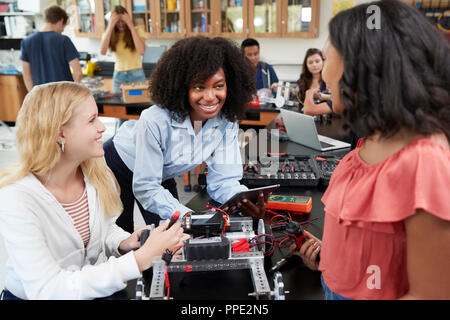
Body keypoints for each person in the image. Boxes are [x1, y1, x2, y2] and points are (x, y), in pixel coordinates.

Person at [292, 0, 450, 300]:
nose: (323, 69)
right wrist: (332, 257)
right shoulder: (369, 141)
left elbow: (431, 293)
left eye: (329, 54)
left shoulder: (425, 161)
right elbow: (379, 244)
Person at [0, 82, 185, 300]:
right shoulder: (16, 198)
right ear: (60, 133)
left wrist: (124, 242)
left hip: (86, 290)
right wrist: (138, 260)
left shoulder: (95, 175)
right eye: (91, 120)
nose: (102, 127)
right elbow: (47, 289)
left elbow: (103, 229)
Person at [103, 36, 269, 233]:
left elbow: (223, 180)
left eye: (218, 86)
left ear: (230, 86)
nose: (210, 97)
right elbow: (146, 187)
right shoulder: (155, 120)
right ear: (183, 88)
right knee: (123, 235)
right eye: (199, 87)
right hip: (118, 164)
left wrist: (244, 199)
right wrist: (188, 216)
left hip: (162, 172)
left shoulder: (227, 121)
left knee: (171, 238)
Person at [20, 5, 82, 92]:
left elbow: (26, 75)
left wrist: (33, 96)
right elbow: (78, 73)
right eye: (63, 27)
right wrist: (74, 92)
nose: (62, 30)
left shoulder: (26, 42)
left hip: (41, 95)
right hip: (63, 94)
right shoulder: (63, 40)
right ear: (61, 21)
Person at [100, 5, 146, 94]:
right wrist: (110, 26)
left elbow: (141, 51)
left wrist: (130, 25)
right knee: (119, 106)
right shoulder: (109, 35)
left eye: (123, 21)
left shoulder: (137, 30)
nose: (121, 24)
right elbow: (102, 51)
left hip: (136, 75)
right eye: (117, 22)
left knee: (138, 105)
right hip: (119, 76)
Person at [294, 48, 333, 116]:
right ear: (306, 65)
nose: (314, 65)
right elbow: (294, 94)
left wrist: (322, 96)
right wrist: (281, 89)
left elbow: (338, 98)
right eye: (310, 62)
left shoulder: (330, 79)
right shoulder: (301, 80)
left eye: (317, 61)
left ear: (323, 62)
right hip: (305, 117)